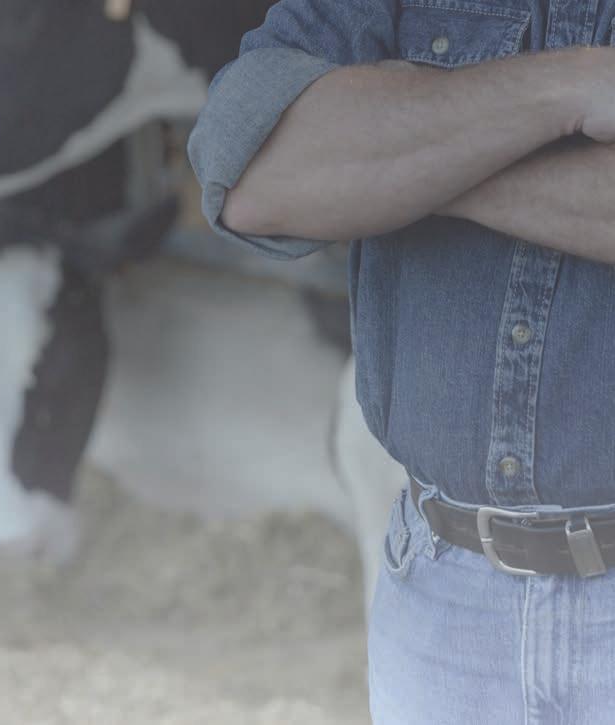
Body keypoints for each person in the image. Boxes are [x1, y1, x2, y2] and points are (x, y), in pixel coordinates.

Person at [188, 2, 615, 722]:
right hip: (443, 598)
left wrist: (400, 162)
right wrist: (568, 88)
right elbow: (250, 172)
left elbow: (309, 171)